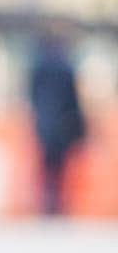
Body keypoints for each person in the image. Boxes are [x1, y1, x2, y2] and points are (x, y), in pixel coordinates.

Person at [28, 24, 85, 216]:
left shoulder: (38, 66)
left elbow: (31, 94)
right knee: (59, 164)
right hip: (62, 120)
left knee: (46, 163)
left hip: (43, 120)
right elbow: (72, 99)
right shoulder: (65, 67)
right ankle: (56, 202)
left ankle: (48, 201)